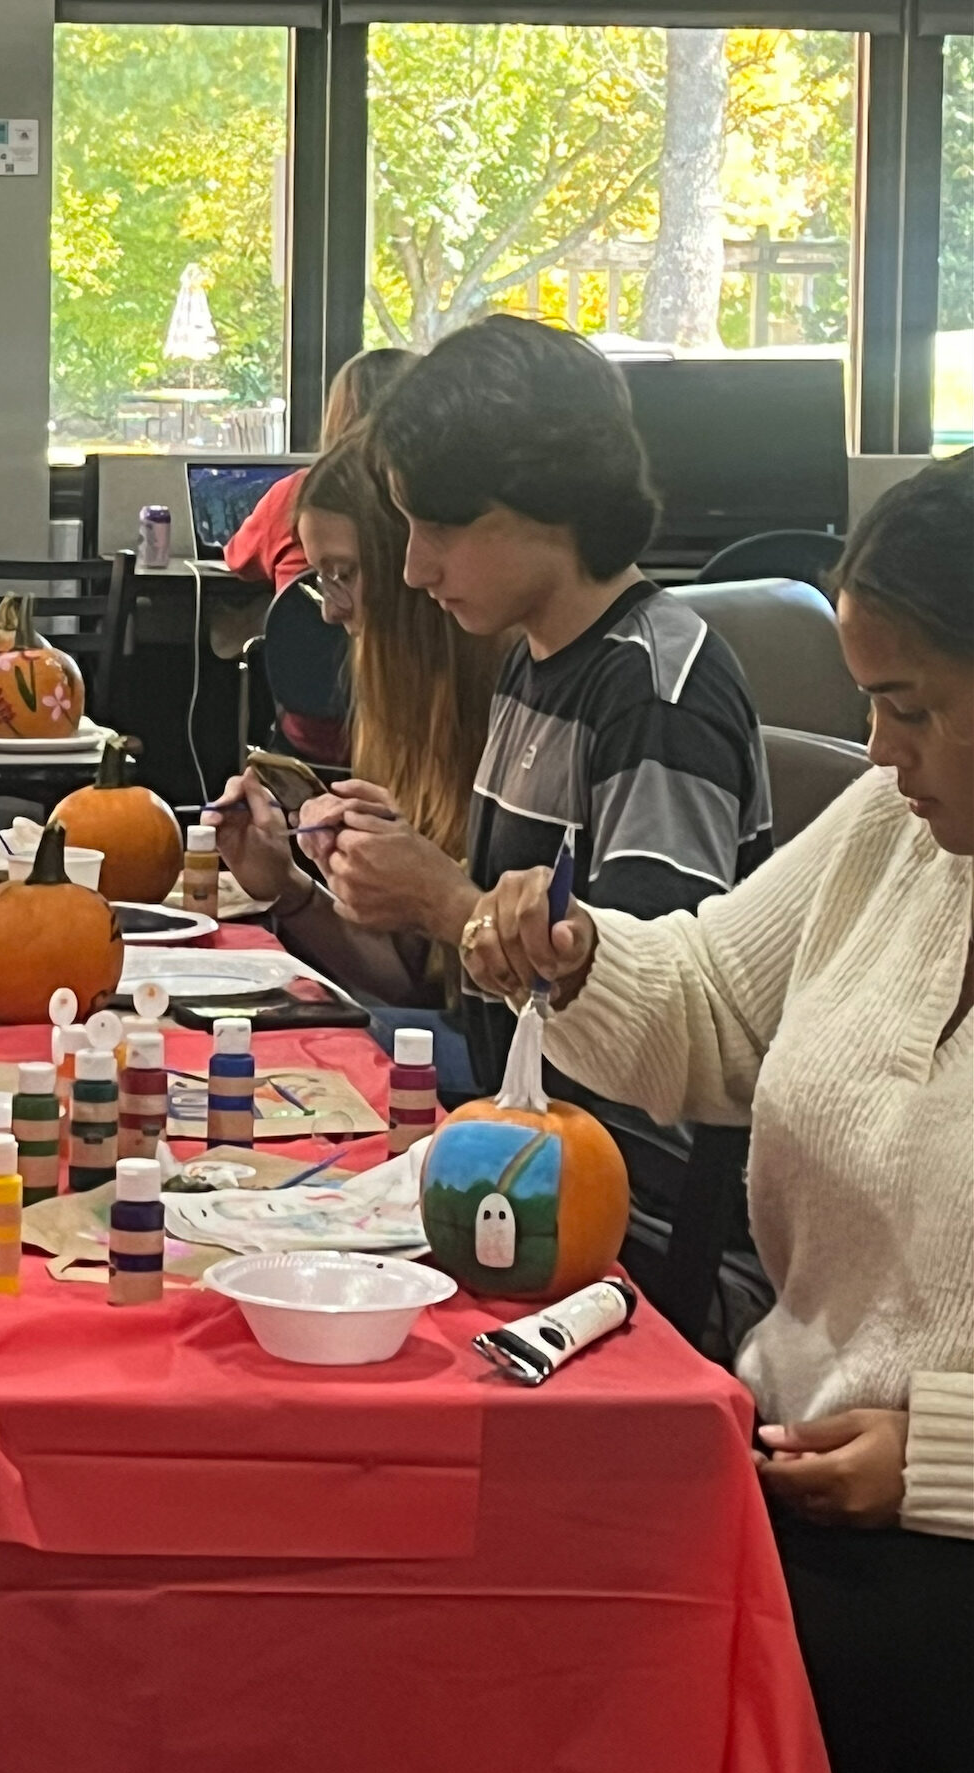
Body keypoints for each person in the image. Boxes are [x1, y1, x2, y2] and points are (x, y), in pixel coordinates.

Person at [461, 451, 973, 1773]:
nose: (875, 750)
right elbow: (704, 1005)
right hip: (793, 1479)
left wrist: (938, 1456)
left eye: (907, 705)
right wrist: (572, 957)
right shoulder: (893, 835)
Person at [221, 317, 773, 1304]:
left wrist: (446, 900)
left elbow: (648, 1054)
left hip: (599, 1227)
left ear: (541, 507)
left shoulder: (655, 692)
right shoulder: (532, 664)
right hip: (504, 1156)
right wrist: (314, 894)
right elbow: (470, 994)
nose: (416, 569)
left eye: (437, 530)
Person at [208, 422, 507, 1003]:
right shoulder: (394, 709)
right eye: (322, 579)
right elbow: (407, 984)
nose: (328, 610)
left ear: (414, 561)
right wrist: (291, 888)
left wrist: (436, 895)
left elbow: (473, 1020)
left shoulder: (510, 710)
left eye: (343, 574)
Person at [223, 348, 416, 596]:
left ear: (338, 413)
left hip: (304, 633)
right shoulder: (428, 494)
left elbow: (239, 559)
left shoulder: (301, 492)